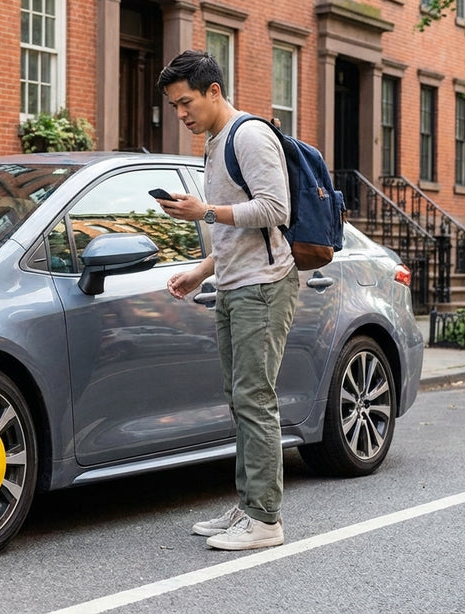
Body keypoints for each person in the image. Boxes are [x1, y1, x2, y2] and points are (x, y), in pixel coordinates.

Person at [154, 50, 299, 550]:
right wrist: (198, 273)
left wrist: (206, 211)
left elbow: (275, 209)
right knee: (241, 400)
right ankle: (248, 507)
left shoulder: (249, 135)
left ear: (213, 91)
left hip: (264, 286)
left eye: (186, 102)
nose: (181, 114)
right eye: (174, 106)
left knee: (256, 399)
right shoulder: (215, 143)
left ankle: (265, 521)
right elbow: (236, 233)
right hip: (234, 285)